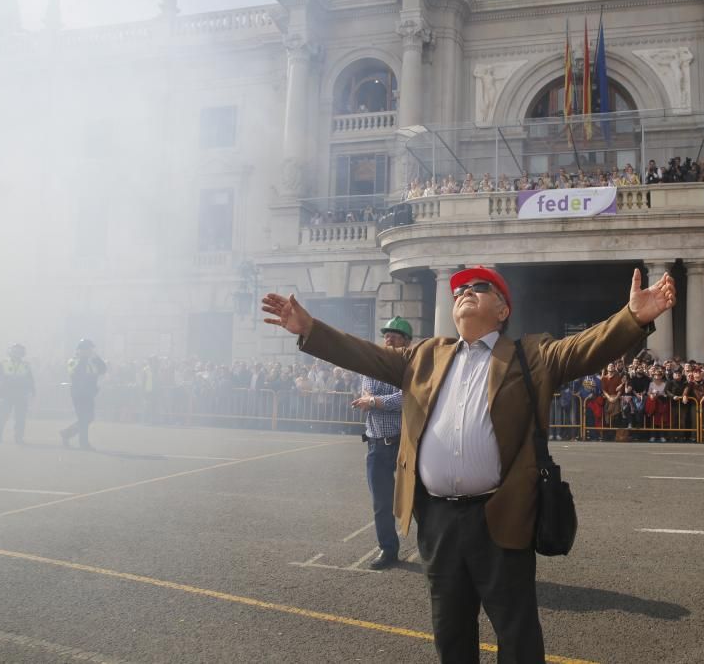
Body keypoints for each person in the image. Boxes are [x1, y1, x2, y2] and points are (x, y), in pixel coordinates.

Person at [262, 266, 676, 662]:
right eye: (459, 289)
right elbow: (364, 355)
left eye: (478, 287)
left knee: (517, 635)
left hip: (501, 515)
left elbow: (587, 347)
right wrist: (310, 330)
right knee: (451, 632)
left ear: (502, 310)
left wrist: (632, 317)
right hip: (438, 518)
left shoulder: (531, 355)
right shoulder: (425, 354)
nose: (463, 293)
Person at [351, 316, 413, 570]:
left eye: (395, 335)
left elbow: (407, 396)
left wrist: (375, 402)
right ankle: (388, 549)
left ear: (406, 342)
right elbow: (366, 391)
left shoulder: (409, 365)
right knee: (381, 502)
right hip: (376, 443)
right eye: (387, 334)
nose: (389, 338)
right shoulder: (371, 365)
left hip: (404, 442)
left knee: (417, 499)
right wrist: (370, 399)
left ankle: (434, 550)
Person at [60, 338, 107, 450]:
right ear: (80, 350)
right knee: (84, 418)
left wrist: (96, 358)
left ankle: (67, 433)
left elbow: (103, 370)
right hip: (78, 393)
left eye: (90, 349)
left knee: (89, 418)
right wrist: (83, 358)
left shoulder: (92, 361)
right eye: (86, 349)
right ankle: (84, 443)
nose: (89, 351)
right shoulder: (73, 361)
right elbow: (77, 373)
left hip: (89, 393)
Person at [0, 343, 35, 445]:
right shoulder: (3, 363)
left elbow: (30, 379)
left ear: (22, 353)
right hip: (6, 394)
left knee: (20, 418)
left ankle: (18, 438)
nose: (17, 354)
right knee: (2, 416)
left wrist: (33, 390)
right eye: (15, 352)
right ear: (10, 352)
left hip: (21, 395)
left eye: (19, 352)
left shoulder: (25, 365)